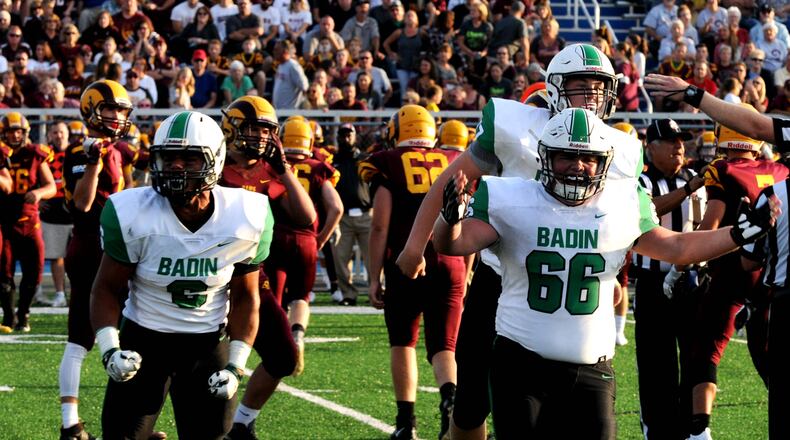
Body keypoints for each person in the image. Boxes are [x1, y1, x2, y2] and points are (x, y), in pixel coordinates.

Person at [431, 106, 780, 439]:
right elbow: (454, 245)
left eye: (588, 158)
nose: (578, 166)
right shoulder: (510, 197)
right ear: (545, 157)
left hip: (592, 370)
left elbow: (677, 247)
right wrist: (449, 219)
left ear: (604, 163)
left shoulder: (620, 203)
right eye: (566, 155)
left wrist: (738, 233)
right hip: (522, 365)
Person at [395, 43, 639, 440]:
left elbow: (621, 216)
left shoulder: (621, 146)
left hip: (566, 287)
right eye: (583, 86)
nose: (594, 97)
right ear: (556, 86)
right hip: (502, 276)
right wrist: (414, 244)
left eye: (600, 87)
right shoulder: (514, 126)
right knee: (472, 403)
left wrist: (608, 275)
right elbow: (450, 181)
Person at [88, 110, 268, 439]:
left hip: (206, 346)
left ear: (214, 160)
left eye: (189, 158)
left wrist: (236, 365)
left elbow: (246, 297)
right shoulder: (132, 212)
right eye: (168, 158)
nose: (176, 166)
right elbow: (105, 289)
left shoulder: (245, 215)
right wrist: (110, 349)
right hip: (143, 342)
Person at [359, 104, 465, 440]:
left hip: (406, 261)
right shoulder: (451, 160)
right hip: (451, 262)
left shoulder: (386, 163)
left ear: (396, 132)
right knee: (445, 345)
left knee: (404, 341)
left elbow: (379, 226)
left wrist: (373, 276)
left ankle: (406, 422)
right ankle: (450, 400)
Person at [685, 105, 788, 440]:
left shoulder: (723, 169)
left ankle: (700, 429)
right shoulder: (777, 169)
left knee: (708, 346)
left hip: (732, 264)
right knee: (765, 350)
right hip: (769, 272)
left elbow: (710, 224)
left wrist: (684, 263)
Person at [217, 96, 316, 439]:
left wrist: (285, 169)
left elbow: (306, 217)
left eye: (267, 131)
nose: (261, 138)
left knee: (283, 357)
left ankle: (242, 422)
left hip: (251, 276)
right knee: (205, 365)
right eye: (254, 129)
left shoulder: (269, 170)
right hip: (208, 275)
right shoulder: (212, 164)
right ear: (231, 128)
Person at [56, 79, 132, 440]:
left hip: (117, 246)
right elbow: (82, 205)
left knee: (134, 334)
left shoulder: (119, 150)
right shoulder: (80, 151)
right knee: (80, 337)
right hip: (89, 246)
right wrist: (92, 164)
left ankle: (133, 423)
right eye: (111, 108)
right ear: (91, 110)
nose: (118, 115)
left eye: (121, 109)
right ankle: (70, 421)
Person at [633, 118, 708, 440]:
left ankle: (695, 427)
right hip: (652, 285)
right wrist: (689, 189)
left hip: (691, 283)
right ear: (651, 148)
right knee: (656, 366)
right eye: (670, 140)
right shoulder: (641, 181)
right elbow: (647, 210)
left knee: (696, 357)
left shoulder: (694, 176)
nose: (679, 146)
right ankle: (657, 428)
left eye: (681, 140)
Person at [268, 117, 342, 376]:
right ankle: (297, 334)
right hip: (307, 241)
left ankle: (276, 351)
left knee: (274, 301)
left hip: (275, 239)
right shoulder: (319, 167)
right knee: (301, 297)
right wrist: (320, 237)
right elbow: (336, 208)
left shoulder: (271, 167)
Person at [0, 112, 56, 333]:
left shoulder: (34, 154)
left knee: (34, 273)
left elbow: (51, 186)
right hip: (4, 222)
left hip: (30, 222)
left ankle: (23, 313)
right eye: (10, 131)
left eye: (18, 131)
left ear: (25, 133)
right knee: (3, 276)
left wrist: (40, 193)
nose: (14, 135)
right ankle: (8, 315)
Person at [331, 122, 371, 305]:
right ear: (338, 137)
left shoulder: (365, 159)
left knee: (373, 257)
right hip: (343, 217)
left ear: (355, 136)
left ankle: (375, 290)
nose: (346, 138)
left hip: (366, 214)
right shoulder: (333, 160)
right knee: (340, 258)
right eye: (343, 135)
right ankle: (348, 294)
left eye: (349, 134)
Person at [39, 121, 72, 308]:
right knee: (56, 256)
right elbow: (34, 177)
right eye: (55, 132)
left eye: (61, 131)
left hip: (76, 213)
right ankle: (60, 293)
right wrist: (39, 198)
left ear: (67, 134)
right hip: (52, 213)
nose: (58, 135)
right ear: (50, 135)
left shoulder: (77, 153)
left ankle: (78, 292)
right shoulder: (44, 155)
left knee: (77, 257)